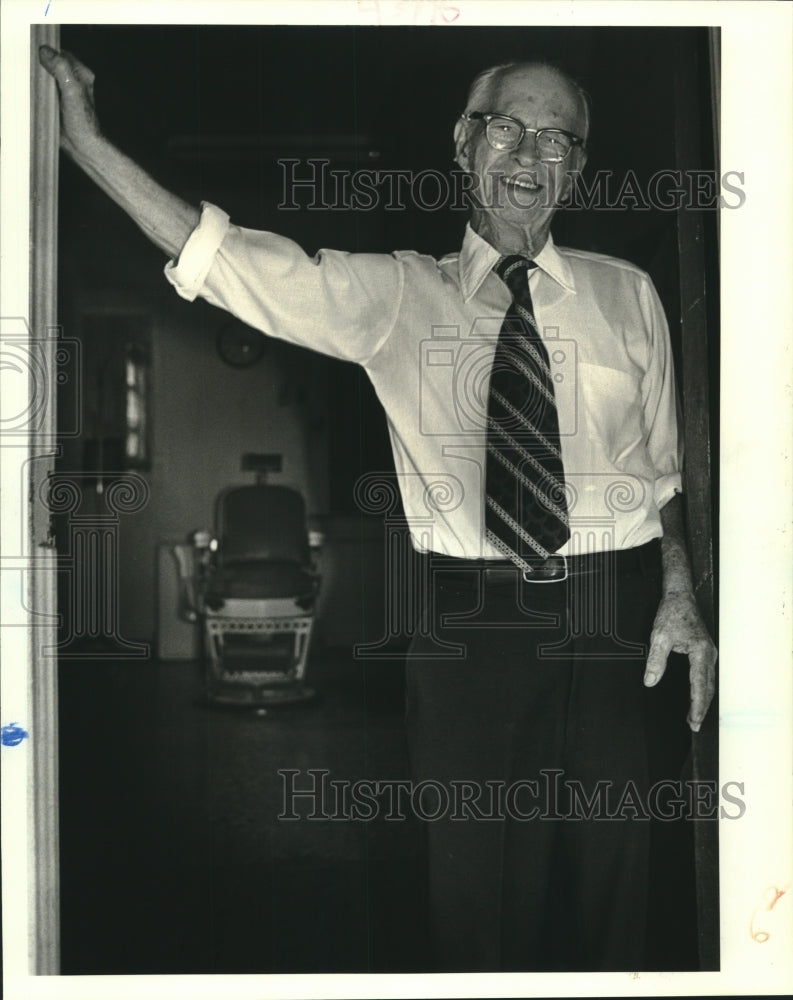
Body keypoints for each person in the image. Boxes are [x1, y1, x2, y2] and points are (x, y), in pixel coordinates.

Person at [39, 45, 717, 972]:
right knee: (477, 902)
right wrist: (86, 144)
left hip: (623, 622)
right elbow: (234, 262)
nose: (530, 153)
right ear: (461, 142)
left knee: (620, 892)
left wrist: (679, 592)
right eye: (508, 126)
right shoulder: (396, 293)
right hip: (474, 633)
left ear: (580, 167)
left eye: (558, 137)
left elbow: (665, 475)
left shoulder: (628, 294)